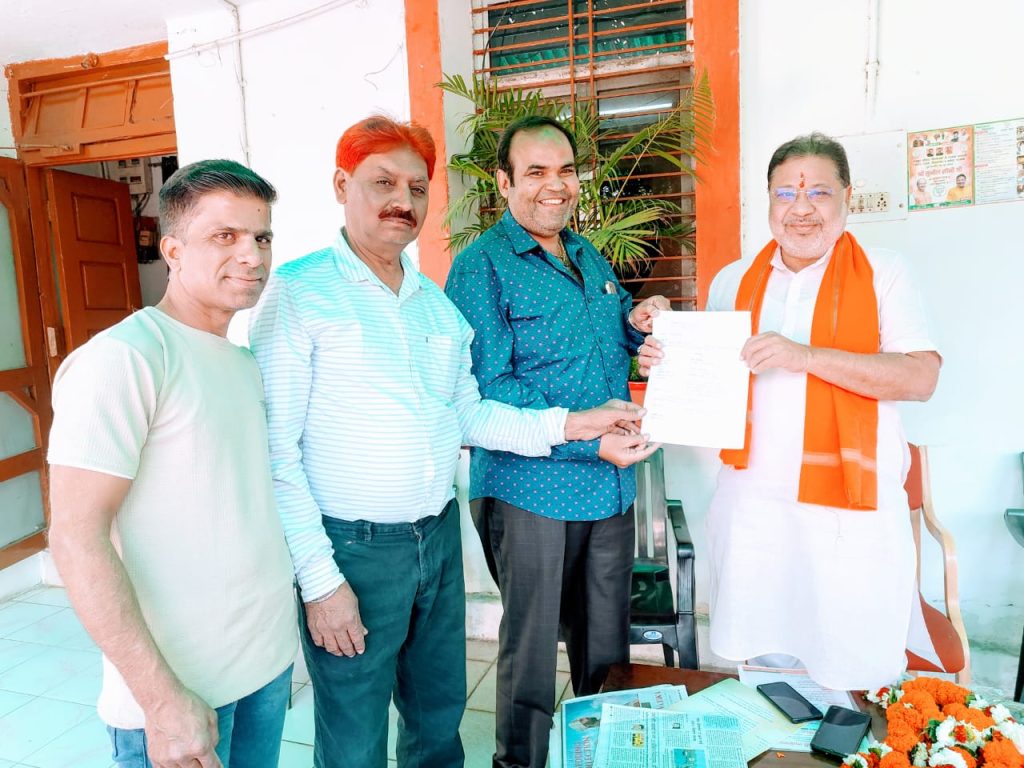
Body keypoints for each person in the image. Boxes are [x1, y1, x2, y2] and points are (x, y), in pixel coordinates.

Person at [248, 115, 644, 768]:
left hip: (435, 537)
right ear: (342, 186)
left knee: (437, 721)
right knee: (354, 737)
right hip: (355, 546)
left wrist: (578, 422)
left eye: (416, 187)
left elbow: (470, 415)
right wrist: (319, 581)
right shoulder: (300, 292)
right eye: (382, 182)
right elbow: (274, 453)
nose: (402, 201)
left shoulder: (433, 305)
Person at [641, 132, 941, 690]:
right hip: (755, 510)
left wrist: (807, 357)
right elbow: (709, 381)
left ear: (848, 196)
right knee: (765, 671)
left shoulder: (884, 272)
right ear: (769, 201)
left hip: (849, 515)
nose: (801, 209)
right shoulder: (733, 280)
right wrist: (665, 358)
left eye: (818, 192)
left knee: (850, 669)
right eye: (786, 194)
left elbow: (921, 378)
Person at [47, 159, 297, 768]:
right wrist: (161, 701)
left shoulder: (240, 361)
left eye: (261, 236)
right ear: (173, 251)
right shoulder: (126, 358)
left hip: (263, 668)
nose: (252, 255)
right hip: (179, 694)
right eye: (225, 236)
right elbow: (75, 538)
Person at [445, 115, 666, 768]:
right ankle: (520, 763)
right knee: (532, 651)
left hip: (610, 485)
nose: (556, 185)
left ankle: (604, 757)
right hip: (531, 490)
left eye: (566, 170)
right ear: (503, 181)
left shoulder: (586, 252)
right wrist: (587, 442)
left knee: (607, 646)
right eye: (536, 171)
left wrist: (640, 321)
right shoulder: (481, 268)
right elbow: (489, 389)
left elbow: (612, 329)